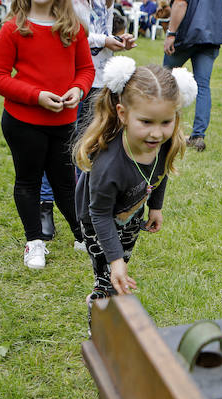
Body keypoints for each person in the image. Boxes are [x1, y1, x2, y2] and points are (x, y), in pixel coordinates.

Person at [0, 0, 95, 270]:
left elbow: (86, 69)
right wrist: (36, 96)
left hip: (63, 121)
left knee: (64, 181)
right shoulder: (14, 27)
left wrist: (78, 89)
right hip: (23, 122)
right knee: (29, 180)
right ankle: (34, 241)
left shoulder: (73, 27)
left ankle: (81, 235)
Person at [73, 56, 196, 322]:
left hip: (131, 214)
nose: (156, 134)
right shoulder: (109, 165)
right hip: (98, 221)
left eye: (166, 122)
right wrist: (113, 260)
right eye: (146, 122)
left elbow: (159, 174)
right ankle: (100, 324)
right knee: (106, 278)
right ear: (123, 114)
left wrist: (156, 206)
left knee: (121, 262)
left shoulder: (163, 144)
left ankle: (114, 286)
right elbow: (100, 215)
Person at [37, 0, 137, 240]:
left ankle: (84, 214)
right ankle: (45, 206)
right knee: (59, 146)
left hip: (99, 76)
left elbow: (101, 29)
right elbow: (66, 30)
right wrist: (102, 40)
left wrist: (117, 40)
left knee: (90, 146)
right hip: (69, 75)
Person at [162, 0, 222, 152]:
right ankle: (198, 136)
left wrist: (171, 33)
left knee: (165, 79)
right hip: (211, 38)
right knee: (203, 86)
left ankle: (162, 126)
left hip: (187, 35)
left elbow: (180, 3)